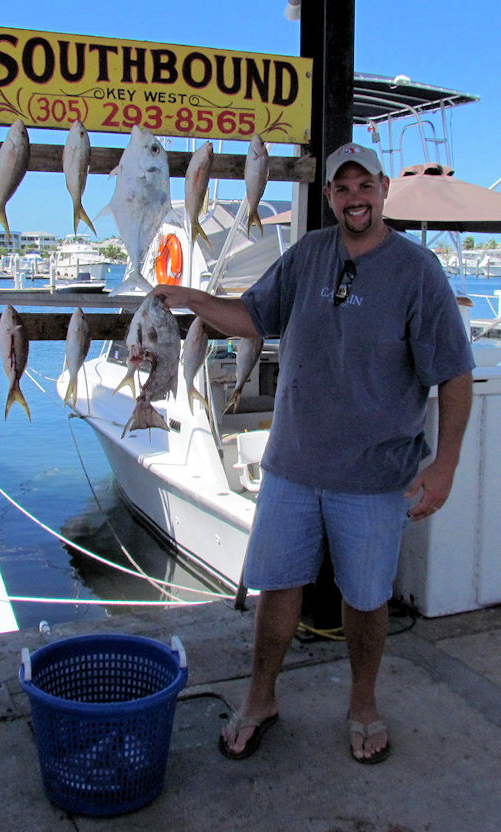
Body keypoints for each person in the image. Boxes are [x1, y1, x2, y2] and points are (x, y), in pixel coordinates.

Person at [152, 142, 474, 764]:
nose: (355, 198)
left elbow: (454, 376)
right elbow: (252, 316)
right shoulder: (306, 254)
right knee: (277, 589)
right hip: (292, 467)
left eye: (365, 186)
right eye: (342, 188)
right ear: (329, 196)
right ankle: (259, 699)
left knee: (366, 599)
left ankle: (362, 705)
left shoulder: (418, 271)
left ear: (383, 189)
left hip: (377, 474)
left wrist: (447, 465)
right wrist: (192, 298)